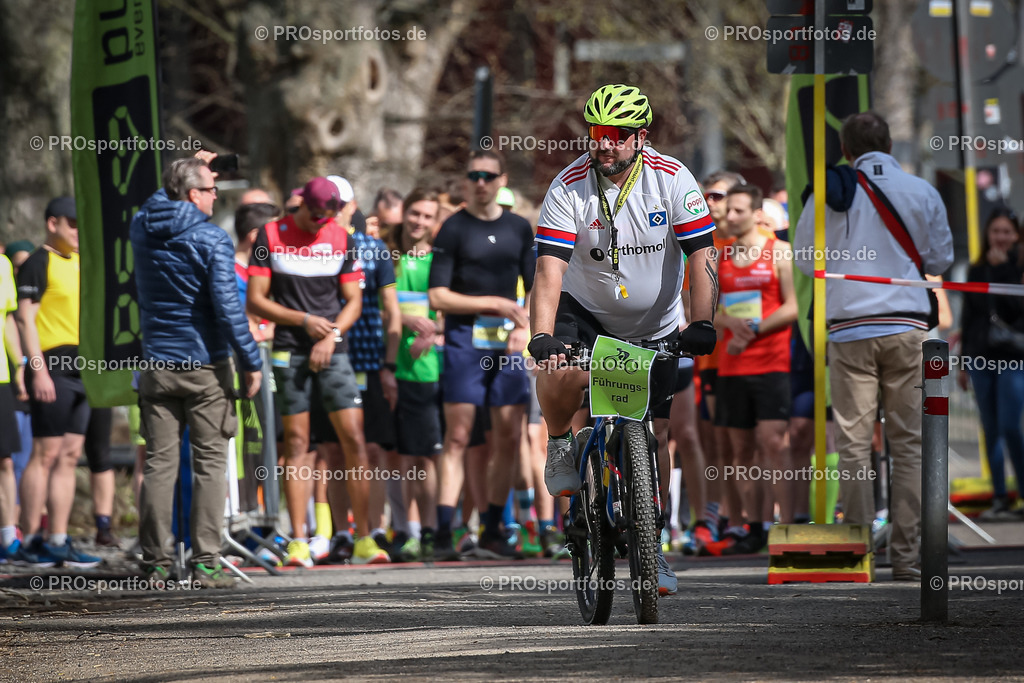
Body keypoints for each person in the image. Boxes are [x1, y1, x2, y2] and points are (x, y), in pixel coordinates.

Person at [528, 84, 719, 596]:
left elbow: (703, 255)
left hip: (655, 323)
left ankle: (652, 549)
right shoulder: (568, 187)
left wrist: (702, 322)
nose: (605, 143)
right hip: (584, 311)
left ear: (640, 136)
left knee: (656, 435)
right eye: (597, 133)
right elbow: (548, 270)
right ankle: (559, 441)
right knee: (559, 368)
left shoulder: (672, 179)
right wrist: (541, 335)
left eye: (616, 134)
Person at [794, 111, 954, 581]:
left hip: (849, 329)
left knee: (853, 447)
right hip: (907, 326)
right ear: (889, 145)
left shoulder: (830, 190)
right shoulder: (921, 190)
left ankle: (857, 558)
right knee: (909, 446)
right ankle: (906, 559)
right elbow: (941, 257)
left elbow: (803, 259)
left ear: (846, 150)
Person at [130, 155, 262, 588]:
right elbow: (228, 309)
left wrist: (185, 169)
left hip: (157, 364)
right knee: (209, 464)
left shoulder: (141, 227)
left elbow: (155, 202)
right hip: (205, 366)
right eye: (210, 189)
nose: (215, 196)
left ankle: (155, 564)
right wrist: (251, 361)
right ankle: (206, 563)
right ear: (192, 194)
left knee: (159, 465)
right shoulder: (212, 238)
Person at [247, 177, 390, 566]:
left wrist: (331, 335)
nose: (319, 222)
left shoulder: (341, 237)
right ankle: (298, 540)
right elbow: (256, 299)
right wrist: (303, 320)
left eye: (327, 216)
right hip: (290, 349)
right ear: (301, 205)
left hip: (333, 350)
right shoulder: (271, 235)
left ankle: (364, 538)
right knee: (297, 444)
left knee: (354, 440)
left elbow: (354, 301)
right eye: (314, 215)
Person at [428, 149, 535, 560]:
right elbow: (438, 296)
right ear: (464, 181)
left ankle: (492, 529)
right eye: (473, 175)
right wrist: (493, 303)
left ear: (502, 181)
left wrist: (524, 327)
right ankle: (443, 533)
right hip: (464, 342)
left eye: (488, 176)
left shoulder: (518, 228)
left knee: (508, 437)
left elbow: (536, 287)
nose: (480, 183)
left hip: (507, 346)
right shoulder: (453, 228)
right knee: (457, 437)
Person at [13, 197, 106, 567]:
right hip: (52, 365)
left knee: (69, 455)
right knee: (45, 454)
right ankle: (29, 539)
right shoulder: (38, 262)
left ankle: (58, 539)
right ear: (52, 224)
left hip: (85, 367)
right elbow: (24, 319)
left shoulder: (82, 261)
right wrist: (37, 369)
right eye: (72, 223)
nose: (79, 231)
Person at [712, 184, 797, 553]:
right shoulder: (722, 256)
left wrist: (754, 330)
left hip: (771, 362)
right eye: (728, 210)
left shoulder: (779, 251)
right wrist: (730, 324)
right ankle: (754, 526)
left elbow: (793, 307)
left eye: (739, 211)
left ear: (758, 214)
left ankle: (787, 528)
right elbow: (709, 312)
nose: (730, 217)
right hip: (732, 364)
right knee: (741, 452)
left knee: (774, 444)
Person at [388, 189, 444, 560]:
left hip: (429, 372)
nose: (419, 221)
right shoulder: (388, 256)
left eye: (427, 216)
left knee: (427, 458)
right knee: (400, 457)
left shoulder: (439, 261)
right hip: (391, 369)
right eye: (414, 213)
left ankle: (429, 530)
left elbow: (451, 312)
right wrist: (403, 320)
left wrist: (434, 330)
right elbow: (371, 306)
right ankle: (404, 530)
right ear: (404, 213)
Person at [958, 207, 1024, 520]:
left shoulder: (1017, 267)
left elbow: (1016, 309)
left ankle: (1021, 493)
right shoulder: (977, 269)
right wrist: (962, 363)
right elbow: (968, 316)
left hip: (1013, 357)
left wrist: (1004, 272)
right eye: (995, 231)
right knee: (990, 427)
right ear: (987, 233)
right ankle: (999, 497)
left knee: (1011, 425)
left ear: (1017, 236)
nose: (1000, 237)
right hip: (980, 356)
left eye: (1007, 232)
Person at [0, 253, 26, 562]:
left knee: (5, 459)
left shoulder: (3, 265)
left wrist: (20, 365)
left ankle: (8, 536)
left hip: (1, 379)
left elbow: (7, 319)